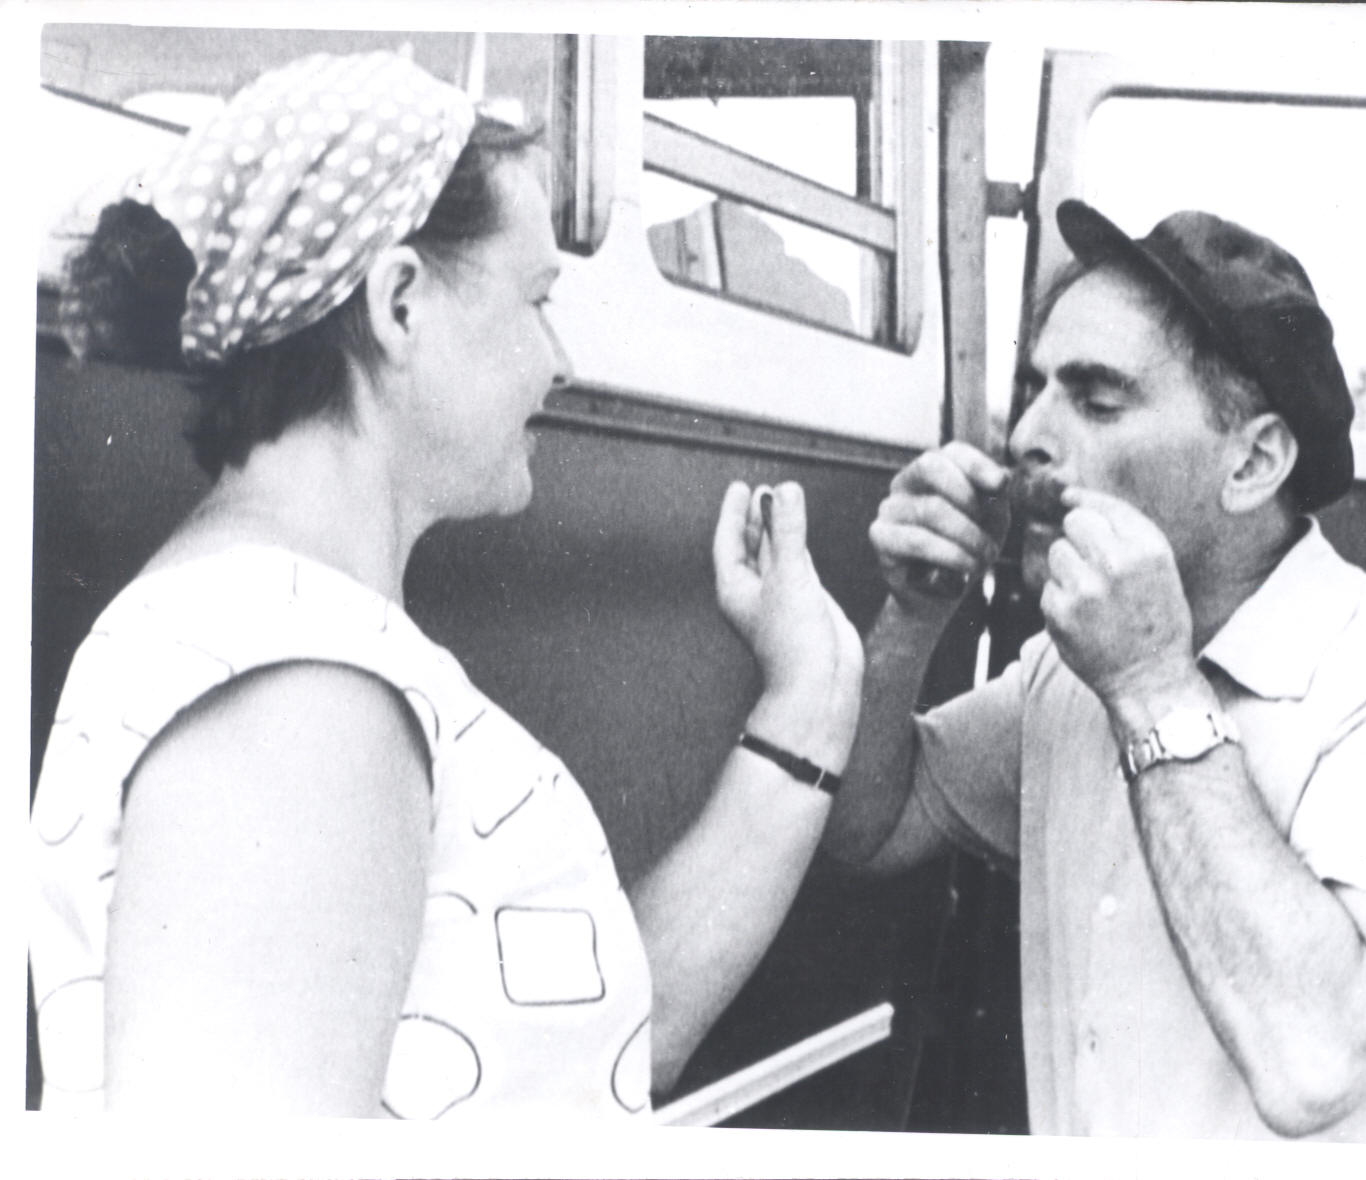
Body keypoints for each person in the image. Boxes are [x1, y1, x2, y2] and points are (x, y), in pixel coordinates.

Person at [30, 51, 863, 1119]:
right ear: (400, 305)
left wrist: (809, 701)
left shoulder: (297, 643)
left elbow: (585, 1051)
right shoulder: (293, 697)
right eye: (537, 298)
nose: (560, 360)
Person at [824, 199, 1366, 1143]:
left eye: (1096, 399)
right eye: (1036, 388)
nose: (1026, 434)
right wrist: (912, 618)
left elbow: (1312, 1062)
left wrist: (1151, 686)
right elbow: (868, 826)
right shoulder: (1064, 678)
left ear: (1253, 462)